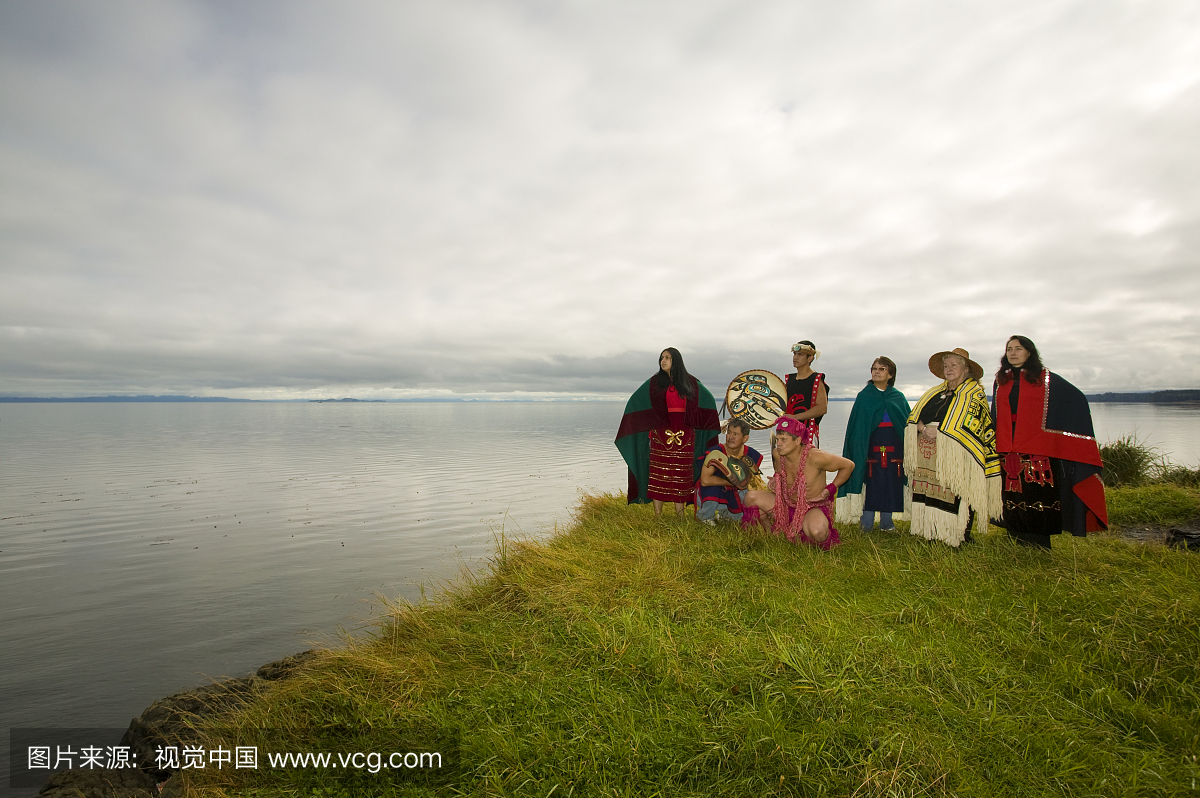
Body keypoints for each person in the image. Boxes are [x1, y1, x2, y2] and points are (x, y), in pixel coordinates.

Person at [992, 336, 1108, 548]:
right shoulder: (1001, 381)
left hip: (1038, 452)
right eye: (1009, 349)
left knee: (1038, 496)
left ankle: (1038, 544)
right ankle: (1015, 538)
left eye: (1019, 348)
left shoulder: (1045, 379)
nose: (1013, 353)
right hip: (1007, 450)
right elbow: (996, 415)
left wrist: (1057, 434)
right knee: (1011, 494)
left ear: (1029, 352)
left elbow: (1076, 400)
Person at [904, 348, 1001, 547]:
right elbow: (915, 416)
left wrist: (940, 434)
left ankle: (958, 534)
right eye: (946, 365)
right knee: (931, 488)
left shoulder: (974, 395)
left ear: (966, 369)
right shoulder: (933, 393)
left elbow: (973, 424)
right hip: (928, 451)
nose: (948, 369)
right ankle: (930, 529)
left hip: (958, 452)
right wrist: (922, 428)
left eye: (953, 365)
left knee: (956, 488)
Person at [615, 348, 721, 517]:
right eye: (661, 358)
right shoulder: (654, 383)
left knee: (681, 475)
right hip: (660, 435)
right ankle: (658, 515)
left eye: (667, 358)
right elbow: (635, 401)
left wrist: (708, 421)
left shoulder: (690, 383)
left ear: (676, 361)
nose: (663, 361)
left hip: (685, 436)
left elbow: (707, 398)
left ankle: (680, 515)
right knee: (659, 475)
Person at [745, 416, 854, 549]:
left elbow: (848, 465)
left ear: (797, 440)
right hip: (785, 505)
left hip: (811, 507)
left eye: (784, 440)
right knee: (751, 497)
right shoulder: (778, 454)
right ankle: (774, 532)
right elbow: (781, 474)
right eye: (778, 439)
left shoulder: (816, 457)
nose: (778, 444)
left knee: (817, 532)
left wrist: (830, 489)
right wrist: (775, 481)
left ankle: (801, 530)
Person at [836, 356, 912, 531]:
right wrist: (859, 449)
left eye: (881, 369)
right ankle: (867, 523)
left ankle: (887, 523)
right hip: (869, 448)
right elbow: (858, 428)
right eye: (874, 368)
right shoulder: (864, 396)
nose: (876, 371)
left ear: (890, 374)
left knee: (891, 482)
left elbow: (906, 423)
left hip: (895, 449)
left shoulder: (897, 397)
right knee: (870, 482)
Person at [695, 418, 765, 525]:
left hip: (734, 491)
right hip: (710, 491)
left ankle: (726, 515)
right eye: (729, 433)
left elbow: (752, 481)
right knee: (712, 488)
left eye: (735, 434)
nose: (730, 437)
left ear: (745, 438)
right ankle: (705, 516)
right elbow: (705, 480)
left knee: (748, 495)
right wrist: (734, 482)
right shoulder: (716, 452)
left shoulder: (750, 454)